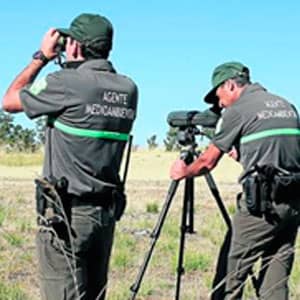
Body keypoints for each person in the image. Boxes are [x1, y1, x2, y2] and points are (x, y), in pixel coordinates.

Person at [2, 13, 138, 300]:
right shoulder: (128, 88)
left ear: (74, 46)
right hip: (105, 212)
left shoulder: (66, 83)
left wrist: (41, 57)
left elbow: (10, 100)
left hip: (67, 214)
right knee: (94, 292)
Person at [170, 61, 300, 299]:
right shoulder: (286, 105)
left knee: (229, 278)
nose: (219, 104)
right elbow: (281, 152)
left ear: (230, 85)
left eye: (219, 96)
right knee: (276, 281)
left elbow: (207, 162)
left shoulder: (239, 109)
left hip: (261, 207)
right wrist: (245, 154)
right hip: (292, 204)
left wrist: (183, 172)